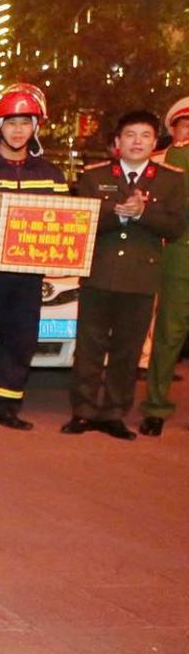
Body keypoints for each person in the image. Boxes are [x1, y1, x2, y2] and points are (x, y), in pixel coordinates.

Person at [65, 110, 186, 438]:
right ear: (117, 143)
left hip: (141, 276)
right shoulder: (93, 176)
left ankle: (114, 413)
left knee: (127, 349)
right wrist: (116, 215)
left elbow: (176, 227)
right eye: (130, 135)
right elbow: (80, 221)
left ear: (154, 142)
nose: (137, 142)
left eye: (145, 136)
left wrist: (144, 212)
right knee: (89, 346)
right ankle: (83, 410)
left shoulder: (172, 179)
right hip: (99, 273)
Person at [0, 82, 68, 430]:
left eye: (25, 123)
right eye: (10, 122)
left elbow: (65, 223)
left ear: (35, 127)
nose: (18, 130)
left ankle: (5, 405)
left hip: (29, 274)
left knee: (21, 337)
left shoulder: (51, 175)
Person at [141, 95, 189, 435]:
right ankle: (156, 405)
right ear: (173, 129)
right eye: (184, 125)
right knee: (169, 332)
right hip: (177, 252)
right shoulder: (159, 161)